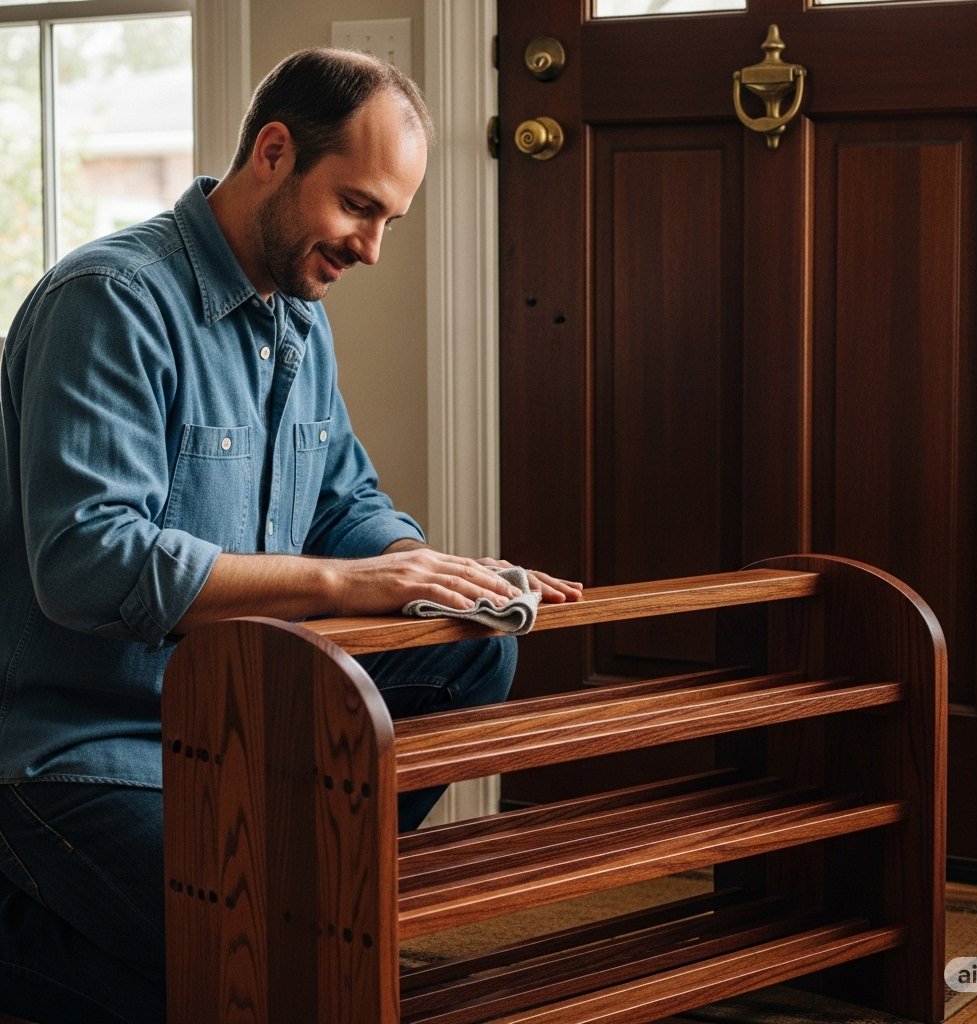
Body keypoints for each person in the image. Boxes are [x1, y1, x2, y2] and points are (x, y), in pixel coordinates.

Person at [0, 47, 582, 1023]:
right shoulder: (109, 301)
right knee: (258, 970)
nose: (371, 247)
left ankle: (291, 892)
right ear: (273, 152)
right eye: (357, 207)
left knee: (470, 651)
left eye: (389, 220)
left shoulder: (296, 319)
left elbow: (342, 500)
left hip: (235, 718)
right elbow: (87, 564)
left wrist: (411, 565)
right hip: (81, 741)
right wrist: (342, 588)